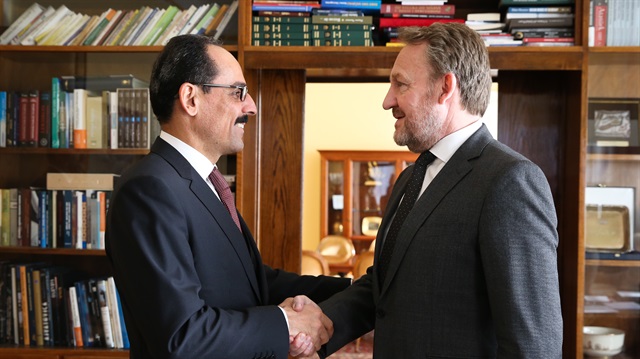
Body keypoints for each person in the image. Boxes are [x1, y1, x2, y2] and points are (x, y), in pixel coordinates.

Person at [314, 23, 564, 358]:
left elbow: (533, 345)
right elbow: (383, 290)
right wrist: (314, 326)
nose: (388, 101)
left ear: (445, 87)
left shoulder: (510, 180)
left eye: (400, 84)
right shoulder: (410, 178)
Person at [105, 34, 350, 359]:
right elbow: (183, 336)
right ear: (190, 99)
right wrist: (287, 323)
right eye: (238, 92)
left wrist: (359, 292)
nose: (251, 106)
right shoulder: (148, 190)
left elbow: (254, 283)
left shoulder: (204, 183)